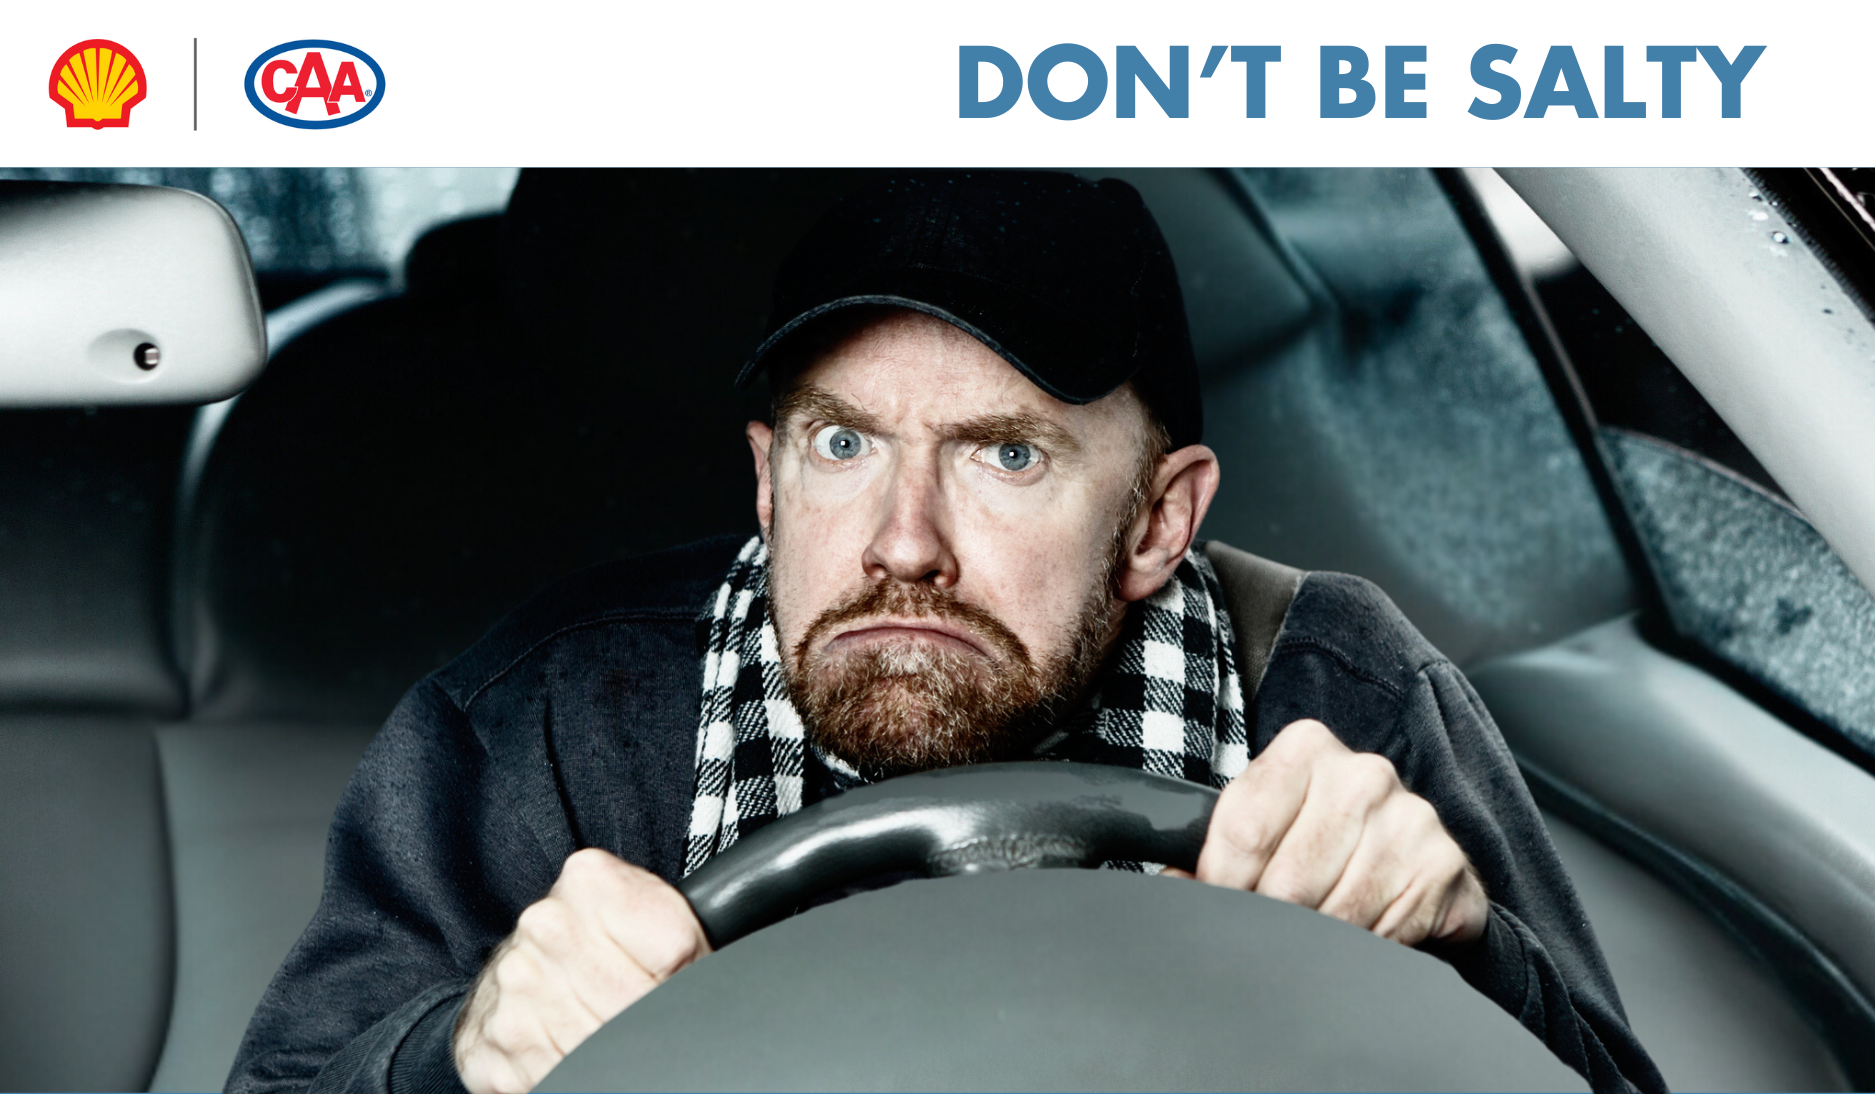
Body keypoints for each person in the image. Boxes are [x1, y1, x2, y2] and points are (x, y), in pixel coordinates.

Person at [229, 171, 1663, 1094]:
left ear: (1162, 522)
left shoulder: (1332, 693)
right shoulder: (553, 716)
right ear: (764, 475)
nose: (900, 541)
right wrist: (454, 1051)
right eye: (842, 444)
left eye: (1007, 456)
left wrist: (1469, 950)